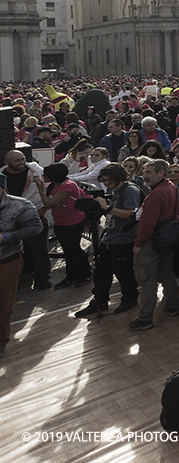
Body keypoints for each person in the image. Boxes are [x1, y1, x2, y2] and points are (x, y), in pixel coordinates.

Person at [74, 162, 140, 318]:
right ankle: (100, 300)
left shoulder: (130, 190)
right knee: (101, 271)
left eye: (109, 180)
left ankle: (130, 297)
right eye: (104, 180)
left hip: (124, 238)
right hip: (110, 236)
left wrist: (107, 208)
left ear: (118, 177)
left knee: (123, 272)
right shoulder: (115, 191)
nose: (106, 183)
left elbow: (132, 214)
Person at [130, 159, 179, 332]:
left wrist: (139, 243)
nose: (144, 175)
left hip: (152, 240)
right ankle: (173, 306)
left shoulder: (156, 194)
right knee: (166, 273)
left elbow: (147, 222)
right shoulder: (172, 187)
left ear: (161, 173)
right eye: (144, 171)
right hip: (167, 238)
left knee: (147, 280)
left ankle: (144, 318)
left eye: (149, 172)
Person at [0, 171, 43, 358]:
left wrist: (7, 237)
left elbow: (36, 227)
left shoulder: (20, 205)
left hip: (6, 261)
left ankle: (1, 341)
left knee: (4, 305)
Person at [35, 163, 91, 289]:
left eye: (46, 175)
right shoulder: (53, 185)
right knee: (67, 249)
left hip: (73, 221)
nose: (43, 177)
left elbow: (48, 202)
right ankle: (71, 275)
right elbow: (51, 203)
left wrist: (40, 190)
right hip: (60, 221)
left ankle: (85, 273)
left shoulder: (68, 185)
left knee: (73, 248)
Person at [2, 150, 49, 289]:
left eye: (22, 159)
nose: (21, 162)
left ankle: (42, 278)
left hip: (35, 215)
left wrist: (44, 208)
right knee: (17, 250)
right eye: (17, 161)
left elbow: (48, 189)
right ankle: (24, 278)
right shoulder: (2, 176)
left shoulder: (36, 171)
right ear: (7, 162)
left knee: (39, 249)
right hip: (11, 220)